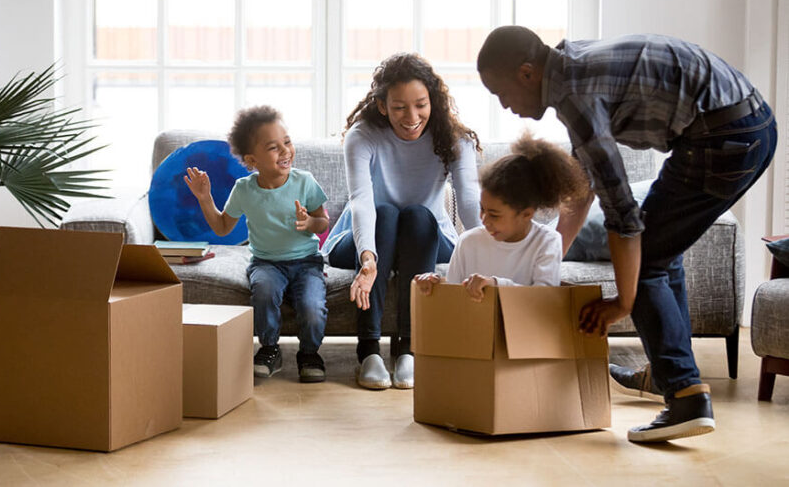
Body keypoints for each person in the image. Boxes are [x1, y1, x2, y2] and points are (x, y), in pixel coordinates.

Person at [476, 26, 777, 443]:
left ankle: (686, 396)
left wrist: (623, 302)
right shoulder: (569, 64)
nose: (505, 106)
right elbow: (583, 187)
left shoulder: (573, 96)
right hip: (743, 124)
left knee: (649, 253)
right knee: (661, 249)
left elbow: (623, 215)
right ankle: (671, 373)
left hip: (726, 136)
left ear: (527, 73)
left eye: (501, 93)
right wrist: (544, 261)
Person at [322, 52, 482, 390]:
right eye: (399, 107)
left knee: (417, 215)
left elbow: (469, 200)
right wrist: (367, 259)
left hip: (425, 236)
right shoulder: (362, 136)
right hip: (361, 238)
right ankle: (369, 353)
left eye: (420, 105)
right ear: (382, 105)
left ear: (433, 101)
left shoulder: (455, 139)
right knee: (386, 214)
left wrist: (487, 252)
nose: (411, 117)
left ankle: (409, 350)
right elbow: (362, 202)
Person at [184, 105, 330, 383]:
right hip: (266, 262)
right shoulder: (244, 189)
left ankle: (310, 353)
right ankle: (270, 350)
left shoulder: (305, 182)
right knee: (263, 292)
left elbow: (322, 221)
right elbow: (223, 227)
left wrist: (310, 224)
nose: (286, 151)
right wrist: (205, 198)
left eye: (287, 142)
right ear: (252, 160)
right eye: (274, 147)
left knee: (312, 306)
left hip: (307, 262)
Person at [415, 133, 589, 298]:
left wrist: (496, 285)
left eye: (494, 215)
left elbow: (543, 298)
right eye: (482, 209)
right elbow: (453, 296)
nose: (484, 220)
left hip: (524, 329)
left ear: (526, 213)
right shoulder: (468, 242)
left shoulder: (547, 242)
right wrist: (435, 285)